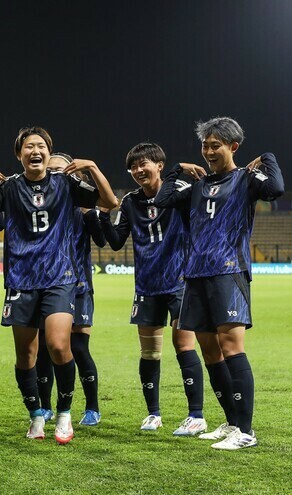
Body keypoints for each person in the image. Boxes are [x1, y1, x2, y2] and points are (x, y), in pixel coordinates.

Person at [0, 127, 118, 444]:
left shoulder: (65, 183)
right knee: (26, 355)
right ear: (20, 155)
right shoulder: (9, 187)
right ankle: (35, 415)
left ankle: (64, 413)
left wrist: (92, 168)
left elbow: (110, 201)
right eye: (28, 146)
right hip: (21, 280)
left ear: (48, 153)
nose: (35, 150)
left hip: (59, 278)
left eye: (41, 146)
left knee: (60, 346)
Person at [154, 118, 284, 450]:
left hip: (229, 272)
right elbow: (162, 199)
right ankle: (231, 423)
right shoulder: (195, 186)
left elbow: (276, 188)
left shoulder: (245, 180)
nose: (209, 152)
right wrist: (177, 169)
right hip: (195, 275)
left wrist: (266, 157)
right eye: (205, 145)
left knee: (231, 347)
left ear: (233, 147)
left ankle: (246, 431)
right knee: (210, 351)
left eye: (216, 145)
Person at [99, 142, 207, 435]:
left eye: (143, 164)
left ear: (160, 165)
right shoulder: (131, 202)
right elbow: (116, 241)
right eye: (133, 167)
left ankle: (196, 415)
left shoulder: (179, 193)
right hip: (147, 285)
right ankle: (153, 414)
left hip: (179, 282)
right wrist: (99, 214)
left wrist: (180, 170)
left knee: (183, 345)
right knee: (149, 354)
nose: (137, 171)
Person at [35, 152, 105, 427]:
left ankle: (92, 407)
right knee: (44, 349)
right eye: (51, 170)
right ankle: (45, 407)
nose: (57, 175)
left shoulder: (84, 208)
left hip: (79, 286)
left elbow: (101, 240)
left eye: (63, 171)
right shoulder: (41, 206)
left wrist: (92, 215)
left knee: (78, 348)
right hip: (46, 286)